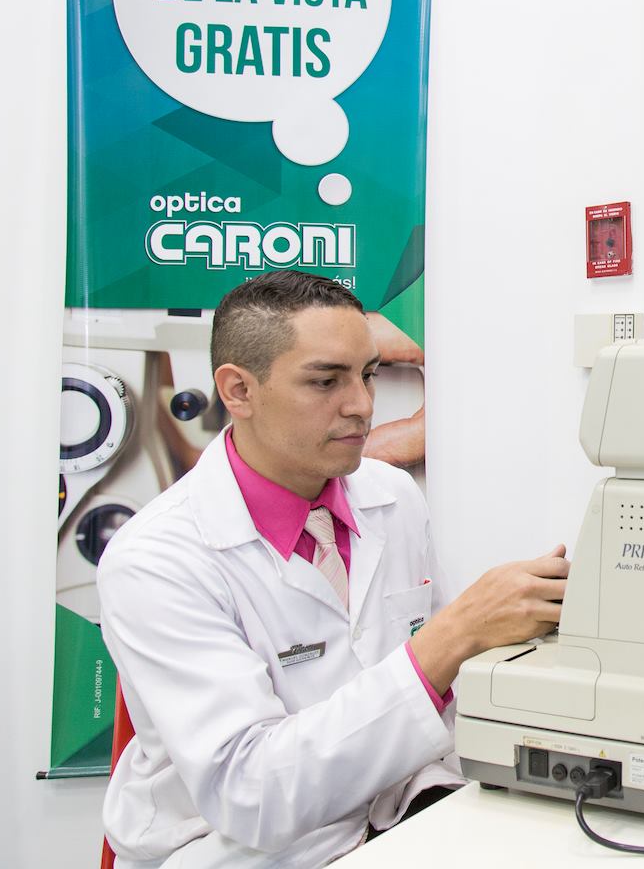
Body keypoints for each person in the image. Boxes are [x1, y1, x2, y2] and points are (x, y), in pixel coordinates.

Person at [97, 270, 568, 868]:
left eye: (369, 374)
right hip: (241, 852)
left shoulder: (391, 497)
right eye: (326, 381)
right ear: (238, 391)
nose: (362, 405)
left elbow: (440, 703)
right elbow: (252, 794)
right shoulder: (156, 561)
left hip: (396, 820)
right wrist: (454, 636)